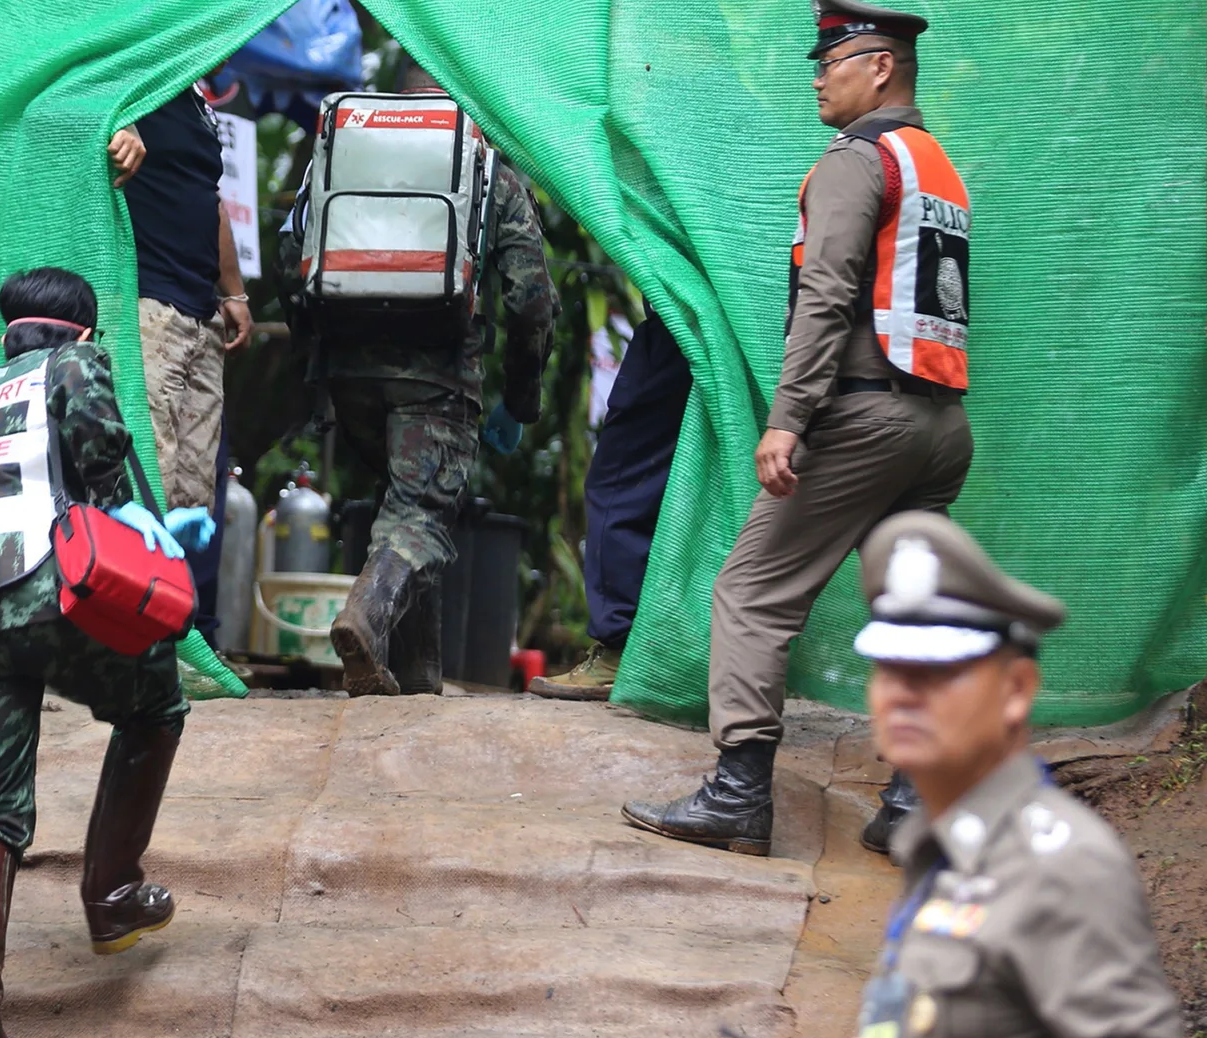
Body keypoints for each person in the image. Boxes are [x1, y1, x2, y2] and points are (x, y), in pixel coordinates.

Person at [624, 0, 973, 856]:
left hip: (864, 416)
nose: (816, 74)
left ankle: (739, 793)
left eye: (832, 58)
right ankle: (913, 796)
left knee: (752, 592)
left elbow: (827, 296)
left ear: (880, 66)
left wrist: (789, 420)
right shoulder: (937, 167)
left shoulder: (859, 160)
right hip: (939, 425)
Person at [0, 268, 214, 1038]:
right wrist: (128, 508)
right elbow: (91, 428)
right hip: (45, 586)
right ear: (79, 331)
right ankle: (112, 894)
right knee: (154, 705)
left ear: (10, 332)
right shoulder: (74, 362)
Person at [824, 511, 1187, 1038]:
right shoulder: (942, 839)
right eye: (890, 670)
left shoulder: (1062, 864)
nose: (902, 695)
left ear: (1016, 690)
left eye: (938, 672)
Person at [279, 61, 558, 697]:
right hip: (436, 379)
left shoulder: (344, 157)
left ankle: (415, 678)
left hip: (350, 372)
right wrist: (520, 397)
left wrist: (318, 358)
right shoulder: (486, 169)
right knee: (421, 512)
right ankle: (364, 619)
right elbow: (530, 299)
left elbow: (289, 254)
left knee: (408, 504)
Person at [529, 308, 691, 700]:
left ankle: (621, 650)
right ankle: (661, 650)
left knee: (620, 484)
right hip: (730, 332)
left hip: (679, 325)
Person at [112, 83, 254, 512]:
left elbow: (210, 197)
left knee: (192, 505)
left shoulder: (194, 99)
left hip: (201, 313)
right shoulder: (136, 74)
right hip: (147, 306)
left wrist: (235, 293)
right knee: (143, 489)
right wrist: (119, 124)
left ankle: (173, 580)